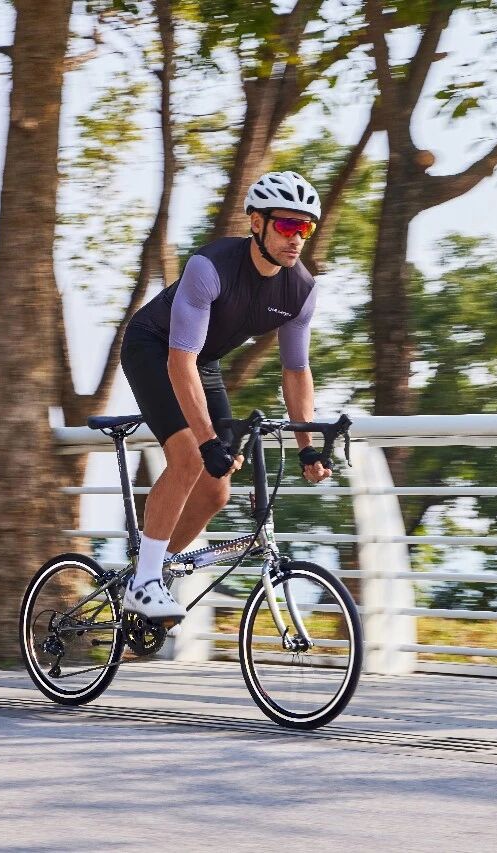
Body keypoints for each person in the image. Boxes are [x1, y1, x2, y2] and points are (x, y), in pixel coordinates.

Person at [118, 171, 333, 620]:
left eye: (305, 228)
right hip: (155, 348)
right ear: (256, 222)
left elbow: (296, 370)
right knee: (189, 457)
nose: (297, 238)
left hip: (204, 361)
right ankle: (144, 584)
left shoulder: (300, 290)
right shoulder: (210, 267)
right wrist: (207, 441)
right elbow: (179, 362)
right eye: (286, 225)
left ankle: (150, 572)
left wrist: (307, 446)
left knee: (215, 492)